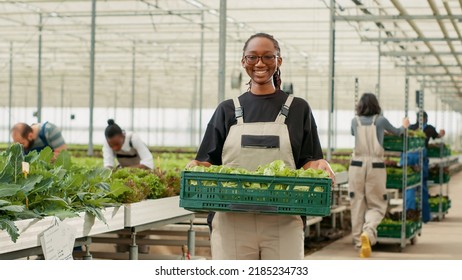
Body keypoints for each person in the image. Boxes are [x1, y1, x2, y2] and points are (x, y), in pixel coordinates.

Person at [187, 33, 334, 260]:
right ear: (243, 61)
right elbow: (207, 160)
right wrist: (195, 166)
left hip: (283, 220)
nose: (260, 64)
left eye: (268, 57)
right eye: (252, 57)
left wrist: (320, 165)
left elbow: (308, 161)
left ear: (279, 61)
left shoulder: (298, 109)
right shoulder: (226, 110)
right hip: (231, 220)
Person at [348, 93, 409, 258]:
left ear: (360, 105)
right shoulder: (380, 120)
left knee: (357, 202)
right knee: (376, 204)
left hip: (356, 166)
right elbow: (397, 132)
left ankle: (358, 241)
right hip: (375, 165)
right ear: (376, 105)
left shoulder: (355, 121)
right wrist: (404, 125)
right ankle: (368, 232)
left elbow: (354, 134)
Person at [406, 111, 445, 223]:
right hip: (420, 160)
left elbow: (437, 136)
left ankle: (412, 214)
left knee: (411, 186)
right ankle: (421, 216)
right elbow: (437, 136)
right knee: (420, 188)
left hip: (412, 159)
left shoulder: (413, 128)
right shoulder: (426, 128)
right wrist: (441, 134)